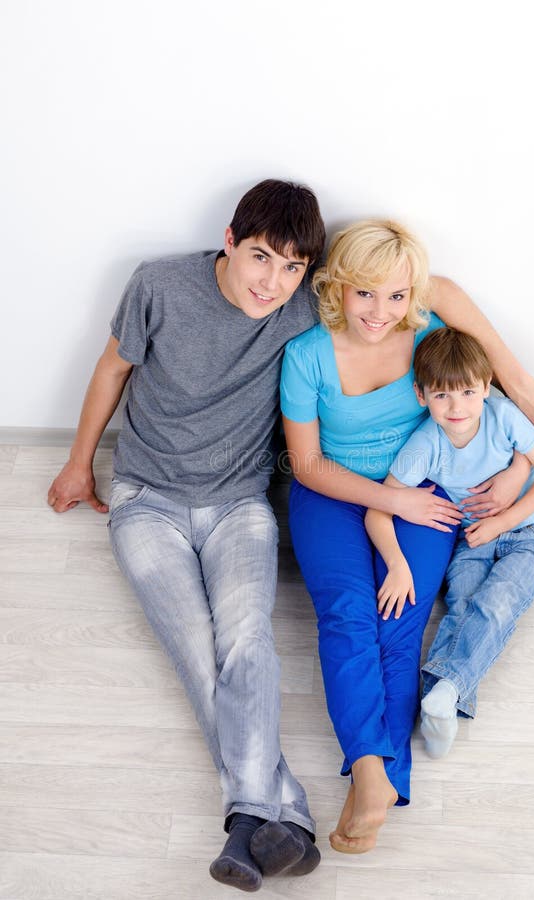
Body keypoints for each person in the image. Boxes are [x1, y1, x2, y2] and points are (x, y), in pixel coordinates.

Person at [47, 179, 327, 893]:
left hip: (239, 503)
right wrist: (80, 465)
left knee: (245, 641)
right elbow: (113, 367)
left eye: (292, 267)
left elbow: (430, 289)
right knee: (198, 653)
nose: (272, 282)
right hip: (145, 502)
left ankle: (249, 823)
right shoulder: (160, 285)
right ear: (229, 242)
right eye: (260, 257)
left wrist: (514, 375)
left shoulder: (301, 303)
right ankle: (281, 816)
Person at [280, 219, 534, 855]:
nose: (380, 312)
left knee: (403, 620)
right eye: (364, 293)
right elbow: (305, 463)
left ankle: (383, 784)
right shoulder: (307, 354)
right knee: (346, 615)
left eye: (394, 295)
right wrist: (392, 500)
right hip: (334, 492)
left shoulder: (431, 334)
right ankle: (369, 770)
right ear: (339, 287)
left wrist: (519, 466)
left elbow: (490, 398)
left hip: (425, 496)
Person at [365, 326, 534, 761]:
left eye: (468, 393)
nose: (457, 408)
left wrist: (504, 521)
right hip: (472, 539)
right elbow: (377, 508)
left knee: (497, 602)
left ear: (486, 387)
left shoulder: (504, 414)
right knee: (462, 606)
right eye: (442, 396)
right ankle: (444, 703)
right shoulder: (425, 445)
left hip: (529, 530)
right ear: (422, 396)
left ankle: (447, 689)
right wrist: (397, 565)